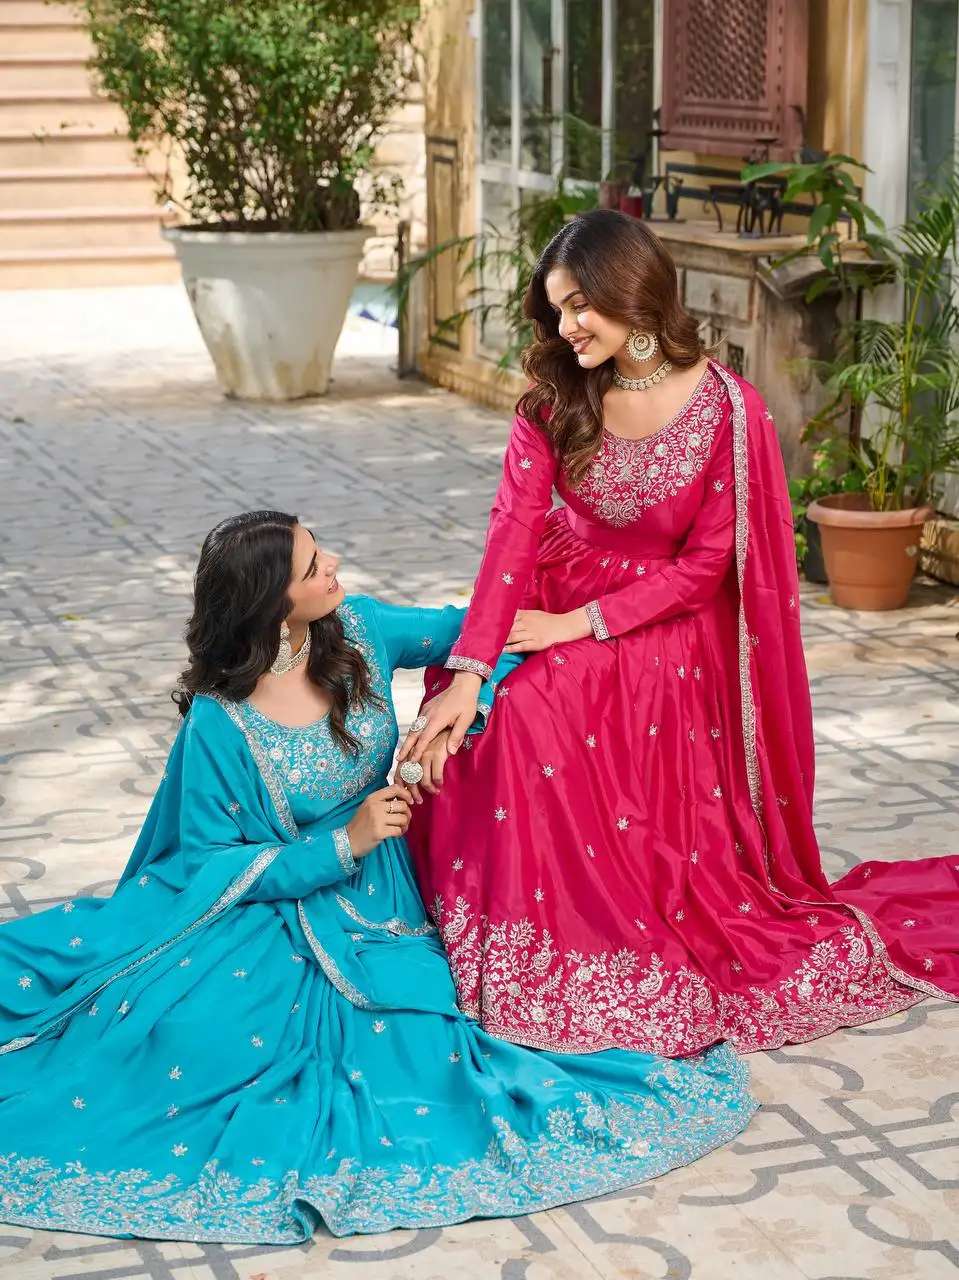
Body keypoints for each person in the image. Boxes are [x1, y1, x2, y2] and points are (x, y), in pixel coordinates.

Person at [0, 510, 755, 1245]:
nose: (332, 564)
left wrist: (462, 705)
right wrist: (341, 844)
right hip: (283, 898)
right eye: (312, 566)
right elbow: (205, 859)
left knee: (420, 1047)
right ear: (271, 604)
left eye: (319, 548)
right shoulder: (221, 720)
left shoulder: (359, 627)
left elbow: (485, 632)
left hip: (385, 895)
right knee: (198, 1038)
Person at [401, 208, 959, 1058]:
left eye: (580, 304)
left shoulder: (727, 411)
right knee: (466, 707)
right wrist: (474, 665)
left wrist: (576, 627)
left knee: (536, 713)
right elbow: (510, 536)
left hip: (663, 622)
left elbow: (704, 570)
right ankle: (486, 928)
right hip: (555, 589)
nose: (566, 327)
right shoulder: (555, 399)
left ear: (632, 291)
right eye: (555, 309)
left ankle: (569, 939)